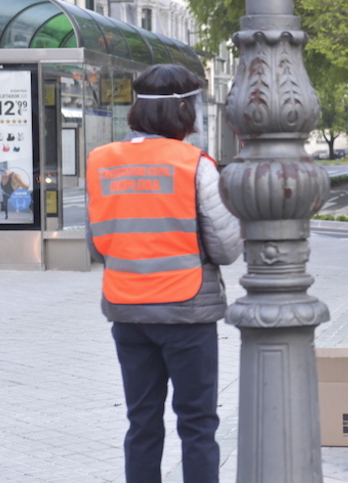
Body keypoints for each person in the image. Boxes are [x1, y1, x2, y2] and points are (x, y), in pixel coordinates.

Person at [85, 64, 242, 483]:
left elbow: (97, 245)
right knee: (197, 424)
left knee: (142, 424)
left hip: (127, 311)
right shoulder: (195, 164)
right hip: (186, 312)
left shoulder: (101, 162)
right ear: (185, 111)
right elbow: (227, 248)